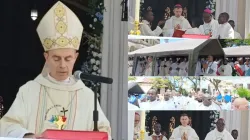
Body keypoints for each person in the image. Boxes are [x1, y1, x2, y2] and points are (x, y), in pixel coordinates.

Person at [0, 1, 111, 138]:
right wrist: (27, 135)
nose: (63, 65)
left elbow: (103, 132)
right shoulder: (29, 91)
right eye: (57, 58)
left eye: (68, 58)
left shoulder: (87, 96)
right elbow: (6, 125)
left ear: (75, 57)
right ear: (46, 57)